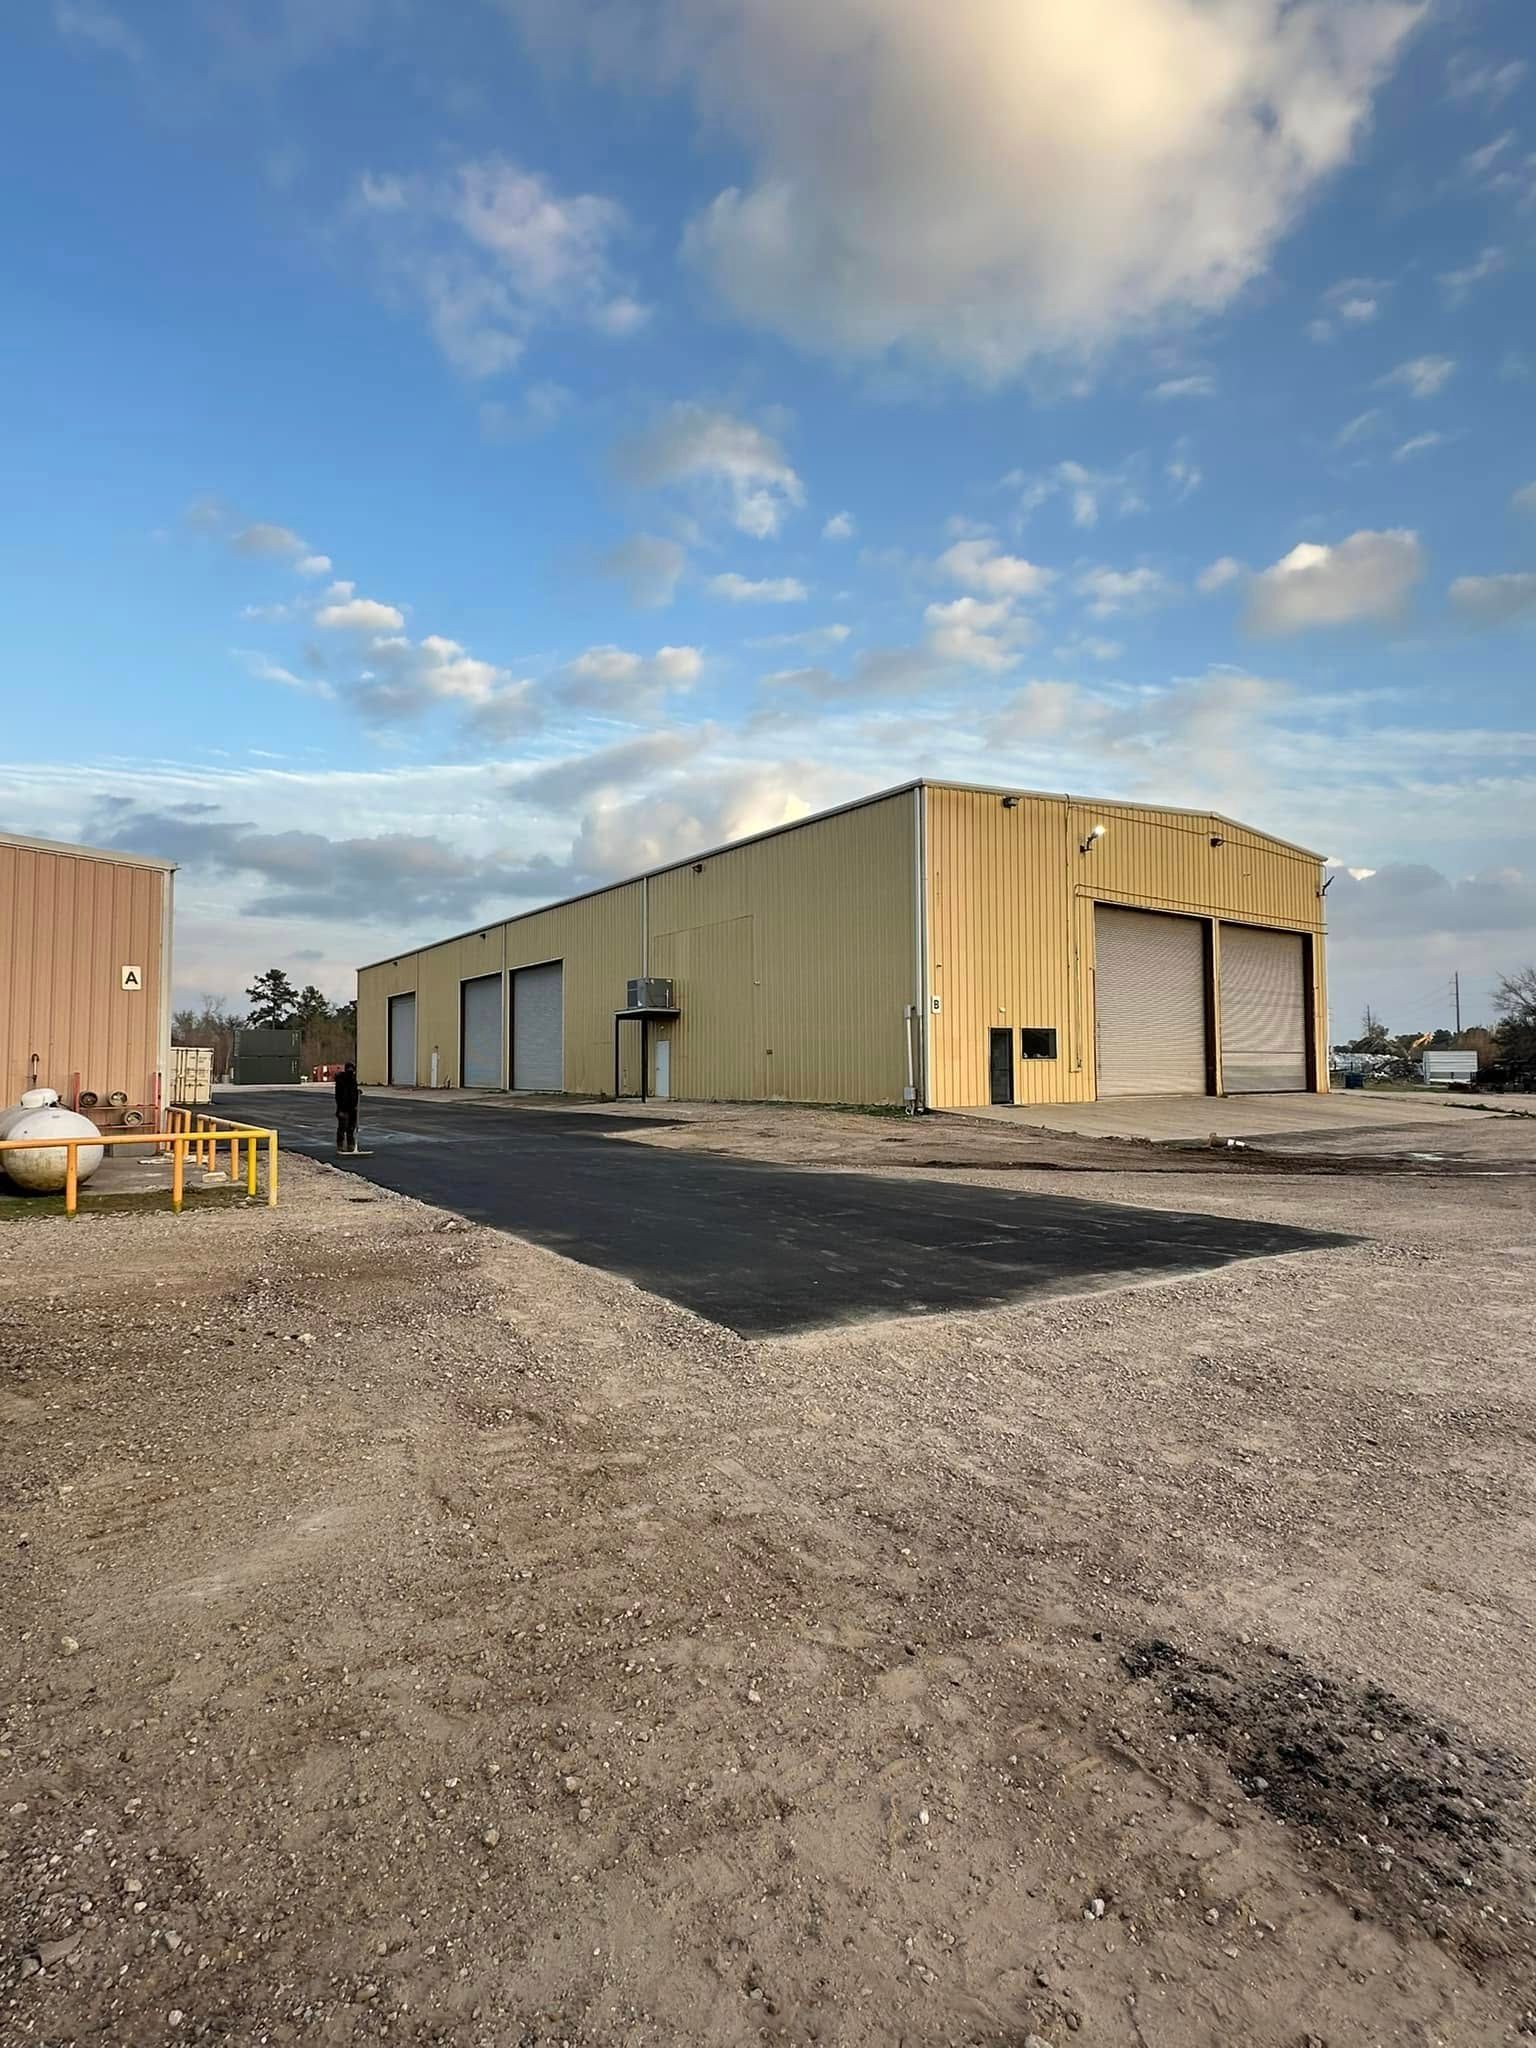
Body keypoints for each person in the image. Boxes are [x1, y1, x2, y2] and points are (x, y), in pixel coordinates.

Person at [334, 1061, 361, 1154]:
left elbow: (353, 1093)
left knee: (351, 1127)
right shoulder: (341, 1080)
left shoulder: (353, 1080)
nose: (351, 1072)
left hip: (352, 1108)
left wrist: (356, 1102)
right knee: (342, 1127)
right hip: (343, 1107)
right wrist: (340, 1109)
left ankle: (351, 1144)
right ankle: (340, 1145)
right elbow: (339, 1096)